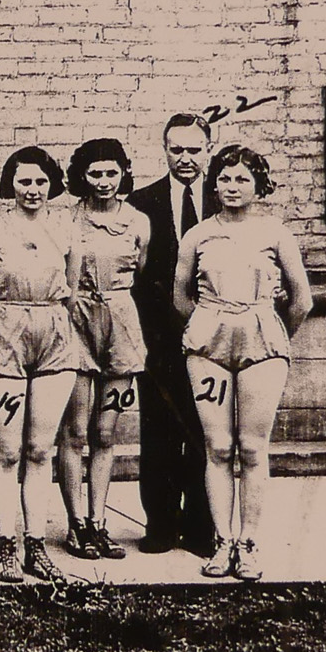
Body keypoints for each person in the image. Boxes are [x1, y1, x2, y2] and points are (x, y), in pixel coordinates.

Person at [175, 145, 313, 582]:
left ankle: (249, 544)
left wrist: (272, 335)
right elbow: (180, 296)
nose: (232, 187)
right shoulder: (197, 234)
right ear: (213, 184)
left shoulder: (276, 233)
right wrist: (207, 324)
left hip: (262, 342)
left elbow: (302, 300)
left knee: (252, 447)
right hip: (209, 343)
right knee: (217, 446)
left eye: (242, 179)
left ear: (259, 186)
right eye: (225, 178)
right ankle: (222, 541)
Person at [0, 147, 87, 584]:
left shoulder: (67, 229)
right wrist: (7, 321)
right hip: (5, 332)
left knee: (40, 449)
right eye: (24, 182)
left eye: (40, 182)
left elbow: (70, 287)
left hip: (53, 333)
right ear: (10, 184)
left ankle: (36, 545)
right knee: (7, 450)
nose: (32, 190)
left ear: (52, 184)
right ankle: (6, 546)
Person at [128, 113, 218, 557]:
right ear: (164, 150)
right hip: (158, 340)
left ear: (209, 149)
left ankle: (202, 527)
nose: (185, 158)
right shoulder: (139, 203)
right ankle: (161, 525)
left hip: (215, 340)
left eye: (193, 149)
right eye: (176, 150)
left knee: (208, 432)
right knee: (159, 433)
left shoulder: (227, 201)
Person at [60, 139, 150, 561]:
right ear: (82, 176)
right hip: (76, 320)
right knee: (75, 431)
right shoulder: (66, 221)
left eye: (111, 173)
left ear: (123, 174)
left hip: (120, 322)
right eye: (95, 174)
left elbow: (142, 269)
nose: (103, 182)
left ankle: (98, 522)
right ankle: (75, 523)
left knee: (105, 432)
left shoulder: (138, 221)